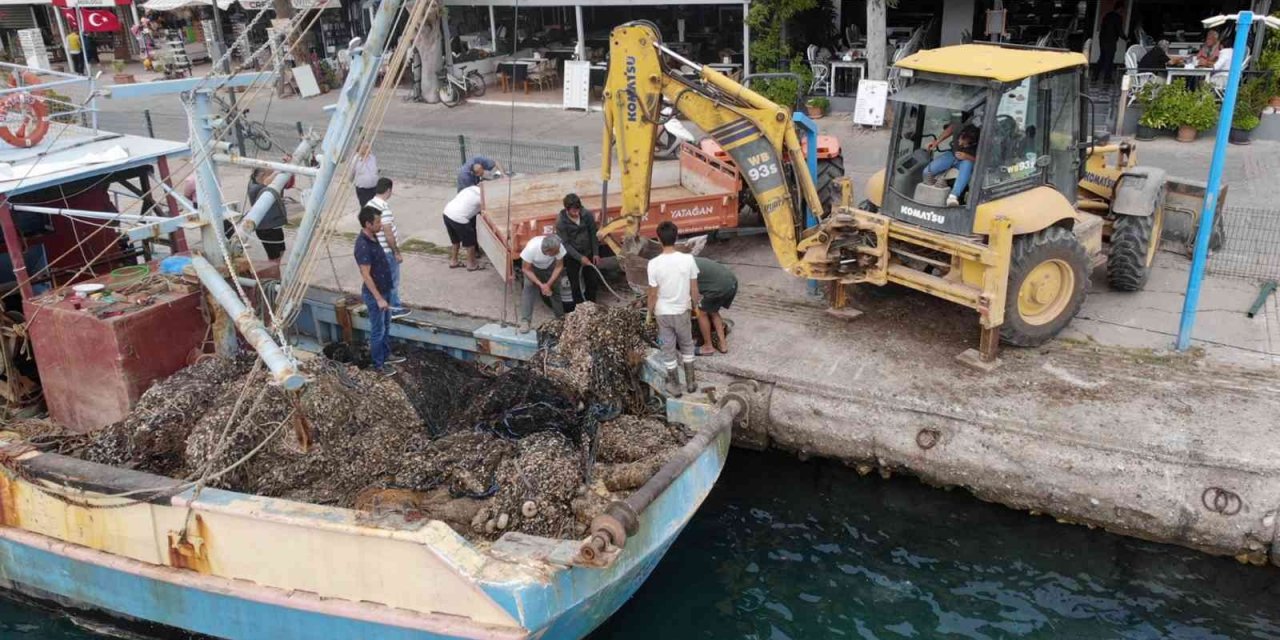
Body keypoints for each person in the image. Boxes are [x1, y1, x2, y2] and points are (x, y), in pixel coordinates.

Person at [647, 221, 700, 396]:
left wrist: (649, 313)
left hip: (662, 314)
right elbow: (694, 289)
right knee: (686, 345)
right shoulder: (688, 259)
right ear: (676, 237)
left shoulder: (653, 264)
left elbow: (652, 294)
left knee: (667, 348)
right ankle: (691, 383)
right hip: (682, 312)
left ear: (659, 239)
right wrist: (695, 307)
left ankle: (675, 386)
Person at [354, 207, 405, 376]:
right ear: (368, 224)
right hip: (376, 295)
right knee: (378, 330)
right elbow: (366, 275)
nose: (381, 225)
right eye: (377, 222)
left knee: (387, 325)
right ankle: (378, 365)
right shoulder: (362, 245)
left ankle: (386, 354)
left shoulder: (374, 237)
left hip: (386, 290)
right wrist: (379, 299)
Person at [367, 178, 409, 319]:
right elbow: (388, 232)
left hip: (376, 250)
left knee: (381, 280)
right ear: (389, 190)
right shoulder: (384, 208)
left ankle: (382, 305)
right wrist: (396, 252)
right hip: (387, 251)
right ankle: (395, 308)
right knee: (392, 281)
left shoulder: (369, 204)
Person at [555, 193, 600, 304]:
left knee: (592, 282)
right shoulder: (561, 222)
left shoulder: (587, 215)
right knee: (575, 286)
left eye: (578, 210)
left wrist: (595, 253)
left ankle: (591, 305)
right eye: (574, 211)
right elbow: (565, 244)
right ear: (567, 209)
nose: (577, 213)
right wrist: (580, 258)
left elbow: (593, 234)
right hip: (573, 257)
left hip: (588, 253)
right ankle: (579, 308)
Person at [923, 123, 980, 207]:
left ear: (973, 143)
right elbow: (952, 127)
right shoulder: (959, 128)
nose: (960, 144)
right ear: (961, 134)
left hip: (965, 162)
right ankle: (932, 189)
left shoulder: (982, 143)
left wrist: (968, 157)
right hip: (952, 155)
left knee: (968, 163)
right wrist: (936, 142)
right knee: (927, 172)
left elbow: (984, 161)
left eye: (964, 144)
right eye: (960, 140)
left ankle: (953, 196)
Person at [518, 234, 566, 333]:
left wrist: (548, 284)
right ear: (548, 251)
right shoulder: (532, 248)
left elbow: (559, 267)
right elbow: (526, 269)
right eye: (555, 252)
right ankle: (525, 321)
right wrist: (541, 285)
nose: (558, 252)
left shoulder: (558, 247)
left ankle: (561, 320)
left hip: (550, 267)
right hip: (533, 268)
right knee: (528, 289)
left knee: (555, 291)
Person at [246, 165, 293, 263]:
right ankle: (274, 275)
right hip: (266, 229)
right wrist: (277, 172)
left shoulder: (256, 181)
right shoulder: (256, 188)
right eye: (272, 174)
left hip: (274, 225)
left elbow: (288, 184)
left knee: (280, 251)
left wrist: (288, 166)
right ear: (263, 175)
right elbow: (265, 183)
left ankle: (274, 271)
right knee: (274, 258)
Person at [693, 256, 737, 356]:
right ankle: (723, 345)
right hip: (731, 281)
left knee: (701, 312)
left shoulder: (682, 267)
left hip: (719, 287)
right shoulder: (691, 259)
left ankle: (708, 346)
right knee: (713, 311)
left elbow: (692, 291)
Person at [443, 184, 482, 270]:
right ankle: (471, 265)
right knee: (471, 241)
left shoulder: (470, 188)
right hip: (459, 217)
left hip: (447, 213)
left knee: (455, 240)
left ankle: (453, 261)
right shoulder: (482, 197)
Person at [1096, 7, 1124, 83]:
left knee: (1102, 58)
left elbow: (1102, 27)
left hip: (1102, 40)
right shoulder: (1118, 18)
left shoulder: (1107, 15)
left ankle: (1095, 76)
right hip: (1111, 41)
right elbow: (1119, 30)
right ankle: (1107, 78)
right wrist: (1126, 38)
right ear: (1120, 9)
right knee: (1109, 59)